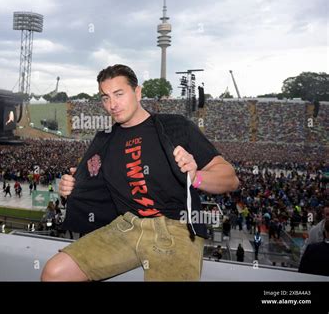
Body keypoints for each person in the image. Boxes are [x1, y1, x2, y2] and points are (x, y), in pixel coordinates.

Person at [41, 64, 239, 281]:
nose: (112, 105)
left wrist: (195, 176)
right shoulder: (104, 140)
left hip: (176, 228)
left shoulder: (175, 127)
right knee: (53, 273)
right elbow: (86, 182)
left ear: (137, 92)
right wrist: (69, 186)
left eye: (119, 94)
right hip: (126, 226)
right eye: (105, 97)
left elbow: (230, 179)